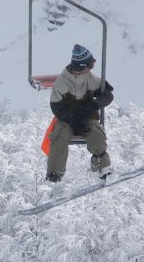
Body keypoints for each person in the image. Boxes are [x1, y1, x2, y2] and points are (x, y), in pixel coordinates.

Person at [46, 44, 114, 183]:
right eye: (90, 65)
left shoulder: (91, 79)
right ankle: (54, 173)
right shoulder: (62, 82)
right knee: (60, 134)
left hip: (87, 117)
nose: (91, 68)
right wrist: (73, 120)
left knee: (96, 133)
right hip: (67, 119)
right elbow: (57, 107)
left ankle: (103, 169)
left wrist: (93, 104)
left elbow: (108, 96)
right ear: (82, 66)